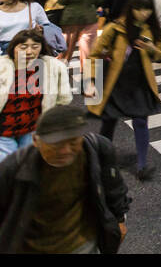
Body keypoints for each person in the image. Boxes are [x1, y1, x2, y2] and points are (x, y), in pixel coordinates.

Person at [0, 104, 131, 253]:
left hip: (82, 246)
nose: (66, 151)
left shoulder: (97, 149)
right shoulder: (13, 168)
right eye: (56, 145)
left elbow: (114, 187)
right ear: (36, 141)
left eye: (73, 142)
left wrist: (119, 220)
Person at [88, 0, 161, 180]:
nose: (144, 13)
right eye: (139, 9)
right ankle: (101, 160)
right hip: (115, 82)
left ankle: (142, 165)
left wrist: (152, 48)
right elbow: (95, 54)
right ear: (131, 9)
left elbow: (159, 55)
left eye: (147, 9)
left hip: (140, 83)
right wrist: (92, 81)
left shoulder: (151, 29)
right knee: (109, 121)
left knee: (140, 122)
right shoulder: (115, 28)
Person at [0, 28, 72, 156]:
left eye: (35, 46)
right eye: (23, 47)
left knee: (27, 166)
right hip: (3, 132)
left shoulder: (53, 67)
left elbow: (63, 100)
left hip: (32, 129)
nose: (29, 51)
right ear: (13, 48)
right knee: (8, 166)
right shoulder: (2, 67)